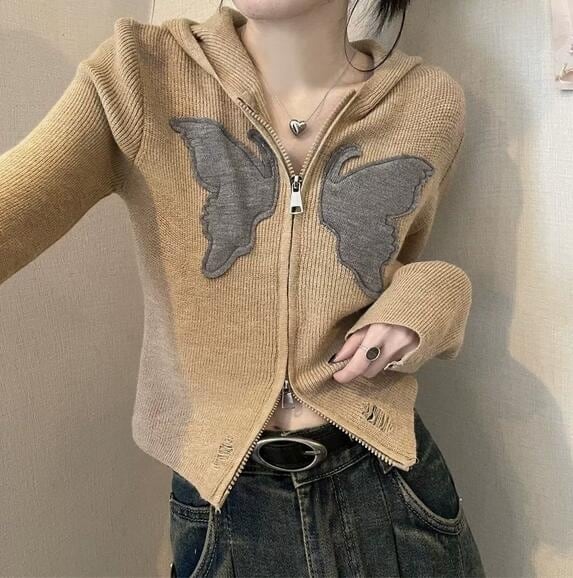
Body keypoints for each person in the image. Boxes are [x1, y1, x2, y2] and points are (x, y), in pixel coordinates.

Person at [0, 0, 487, 576]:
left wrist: (433, 297)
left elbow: (392, 266)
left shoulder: (428, 100)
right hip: (225, 503)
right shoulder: (139, 72)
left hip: (391, 492)